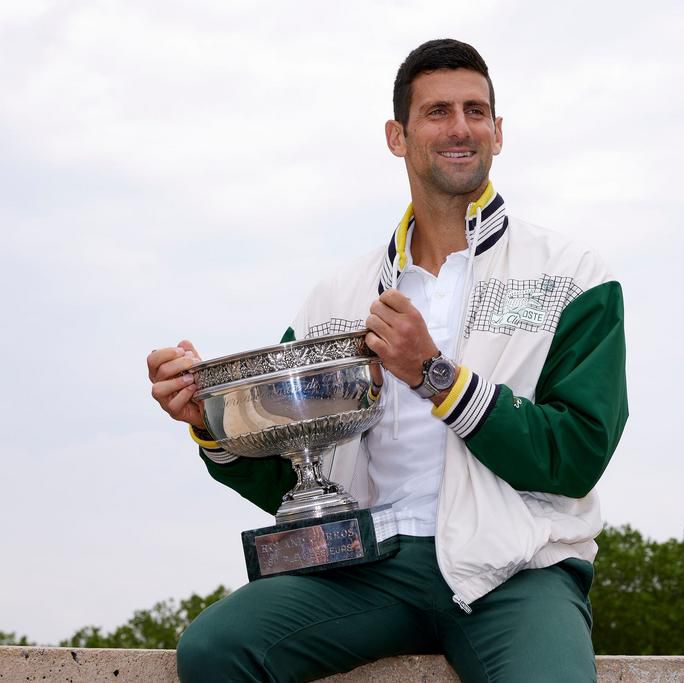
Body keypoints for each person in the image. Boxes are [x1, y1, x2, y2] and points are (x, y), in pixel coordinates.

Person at [147, 38, 628, 683]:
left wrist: (434, 373)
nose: (460, 128)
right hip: (367, 566)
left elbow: (577, 454)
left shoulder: (572, 275)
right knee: (214, 649)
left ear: (499, 131)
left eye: (475, 111)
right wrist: (209, 419)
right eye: (437, 112)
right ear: (397, 136)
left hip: (517, 569)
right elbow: (296, 470)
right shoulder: (336, 297)